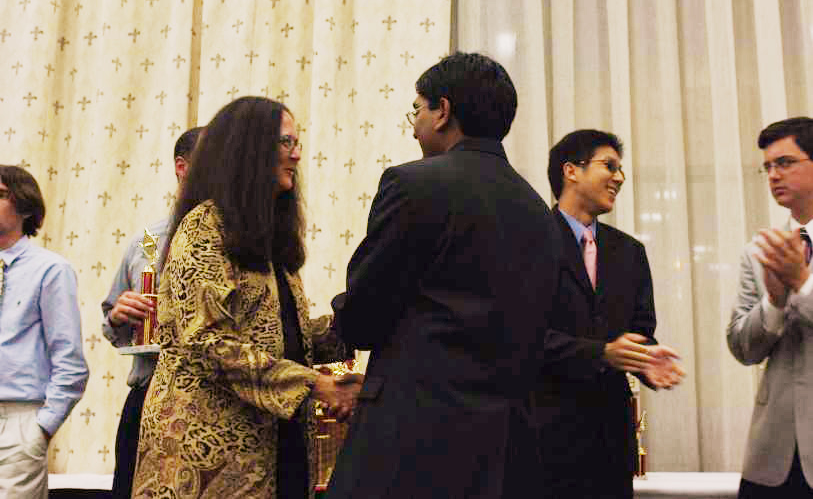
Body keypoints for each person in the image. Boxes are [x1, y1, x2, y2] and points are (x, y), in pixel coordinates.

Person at [325, 52, 562, 499]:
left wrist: (342, 316)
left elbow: (362, 316)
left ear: (443, 112)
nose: (414, 125)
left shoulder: (413, 186)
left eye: (417, 110)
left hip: (410, 441)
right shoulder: (538, 210)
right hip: (501, 453)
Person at [130, 97, 359, 499]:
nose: (297, 154)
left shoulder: (265, 237)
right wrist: (317, 386)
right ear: (250, 149)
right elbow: (209, 342)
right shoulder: (205, 226)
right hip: (208, 456)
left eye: (296, 142)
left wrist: (356, 324)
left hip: (274, 445)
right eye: (285, 143)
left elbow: (280, 335)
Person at [537, 130, 684, 499]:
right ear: (571, 170)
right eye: (609, 166)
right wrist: (600, 353)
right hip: (542, 441)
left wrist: (647, 358)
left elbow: (639, 330)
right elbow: (519, 336)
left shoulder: (629, 252)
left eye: (621, 169)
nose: (620, 177)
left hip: (610, 447)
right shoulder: (528, 242)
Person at [101, 127, 200, 498]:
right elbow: (111, 318)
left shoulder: (241, 237)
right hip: (147, 394)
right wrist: (118, 315)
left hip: (208, 403)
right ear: (181, 167)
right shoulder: (147, 238)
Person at [728, 117, 813, 498]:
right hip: (771, 458)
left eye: (785, 162)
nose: (774, 175)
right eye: (768, 167)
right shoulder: (760, 251)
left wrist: (803, 284)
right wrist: (775, 303)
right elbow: (742, 348)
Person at [0, 165, 89, 498]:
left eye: (0, 194)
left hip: (17, 422)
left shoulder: (51, 270)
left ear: (25, 207)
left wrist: (40, 430)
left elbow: (70, 362)